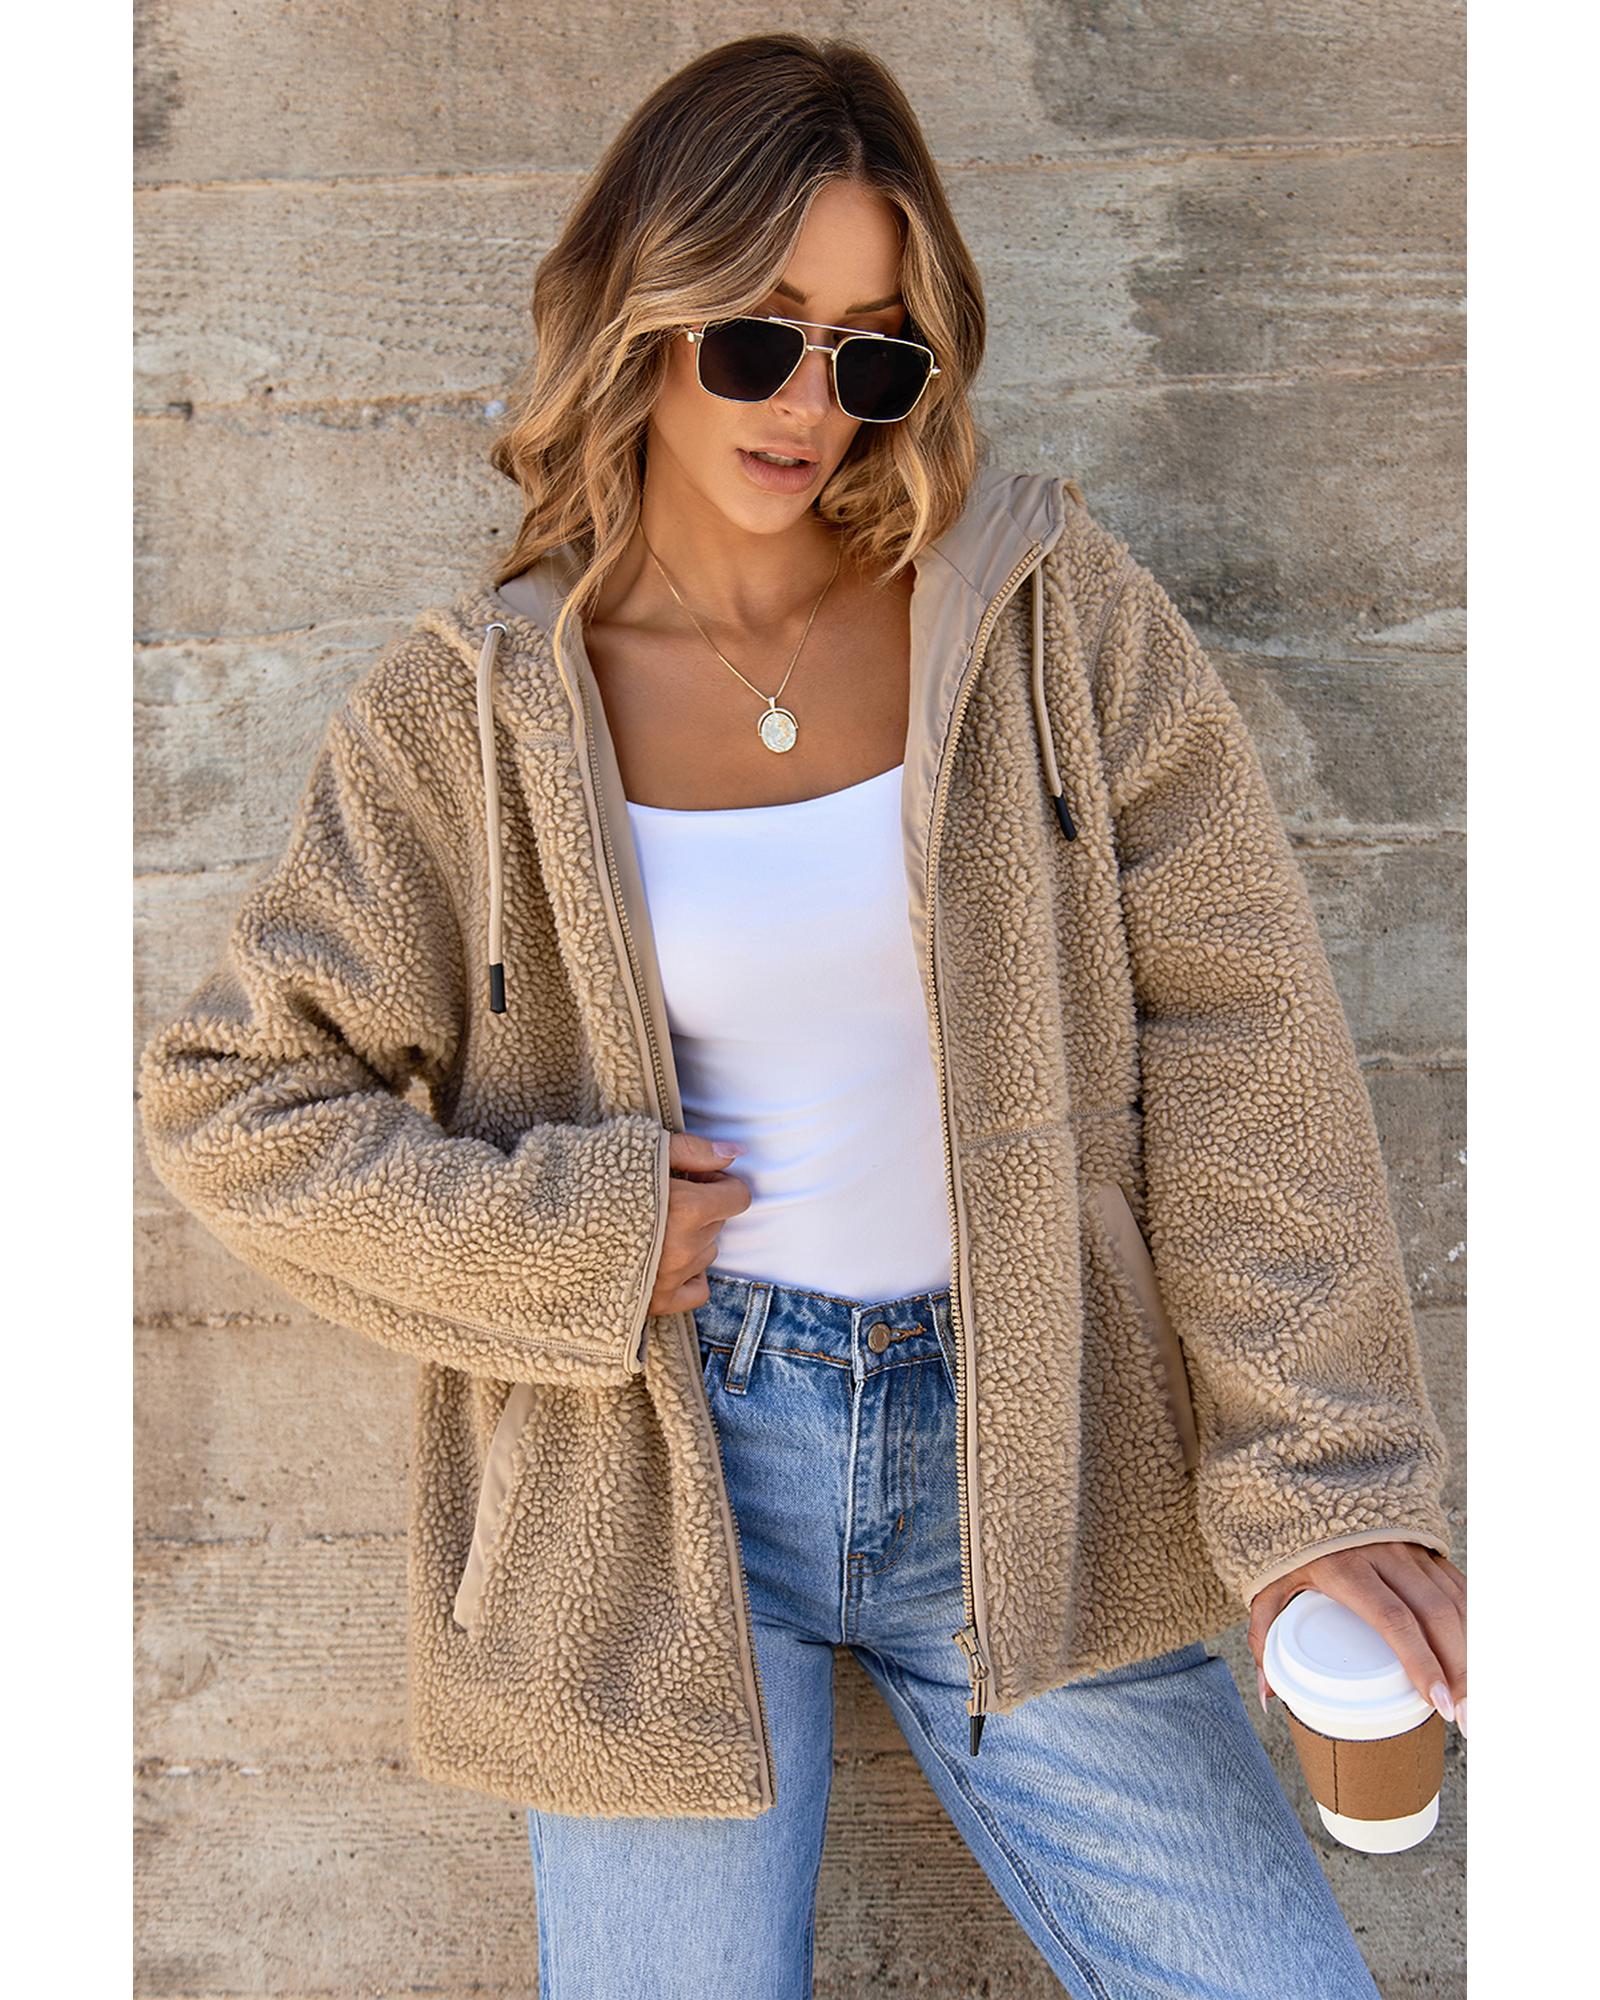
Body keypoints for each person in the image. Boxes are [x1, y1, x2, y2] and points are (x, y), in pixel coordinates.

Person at [137, 31, 1466, 2000]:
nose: (811, 404)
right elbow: (230, 1096)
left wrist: (1317, 1482)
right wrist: (574, 1238)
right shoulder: (471, 719)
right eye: (759, 337)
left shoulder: (1038, 618)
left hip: (1032, 1459)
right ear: (643, 311)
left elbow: (1237, 1037)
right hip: (661, 1499)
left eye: (873, 353)